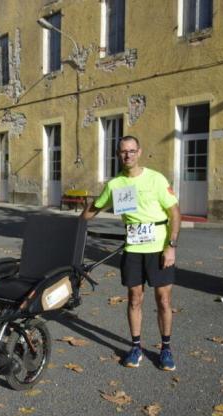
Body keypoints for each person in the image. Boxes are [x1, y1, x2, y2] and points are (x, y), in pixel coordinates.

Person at [81, 135, 181, 371]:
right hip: (133, 249)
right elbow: (93, 210)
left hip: (159, 249)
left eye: (132, 150)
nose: (128, 155)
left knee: (164, 300)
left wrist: (171, 246)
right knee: (135, 299)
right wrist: (73, 224)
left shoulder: (156, 179)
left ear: (139, 152)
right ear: (118, 155)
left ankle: (165, 348)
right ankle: (136, 347)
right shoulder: (115, 185)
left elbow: (175, 213)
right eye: (123, 151)